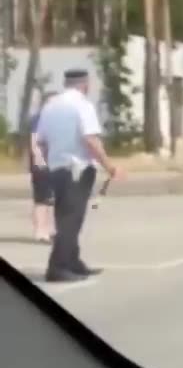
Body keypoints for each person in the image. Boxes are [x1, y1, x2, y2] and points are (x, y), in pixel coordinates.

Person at [35, 69, 123, 283]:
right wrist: (110, 166)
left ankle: (73, 261)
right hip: (77, 168)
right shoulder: (83, 105)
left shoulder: (50, 106)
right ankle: (58, 267)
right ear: (84, 84)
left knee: (66, 217)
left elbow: (42, 142)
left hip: (57, 169)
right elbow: (90, 140)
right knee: (70, 221)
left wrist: (47, 168)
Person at [28, 91, 56, 243]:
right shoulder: (38, 119)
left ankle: (48, 229)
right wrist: (40, 163)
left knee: (50, 199)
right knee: (41, 199)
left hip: (53, 164)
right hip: (41, 165)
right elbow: (34, 142)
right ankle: (40, 231)